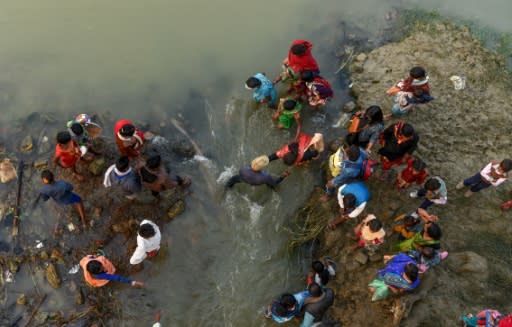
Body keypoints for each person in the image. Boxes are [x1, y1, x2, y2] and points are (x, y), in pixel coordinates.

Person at [79, 254, 144, 288]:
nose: (103, 268)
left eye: (102, 266)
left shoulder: (90, 261)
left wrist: (94, 256)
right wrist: (131, 282)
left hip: (85, 261)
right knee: (103, 280)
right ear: (97, 272)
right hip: (96, 279)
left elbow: (92, 258)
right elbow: (118, 278)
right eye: (101, 269)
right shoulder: (101, 275)